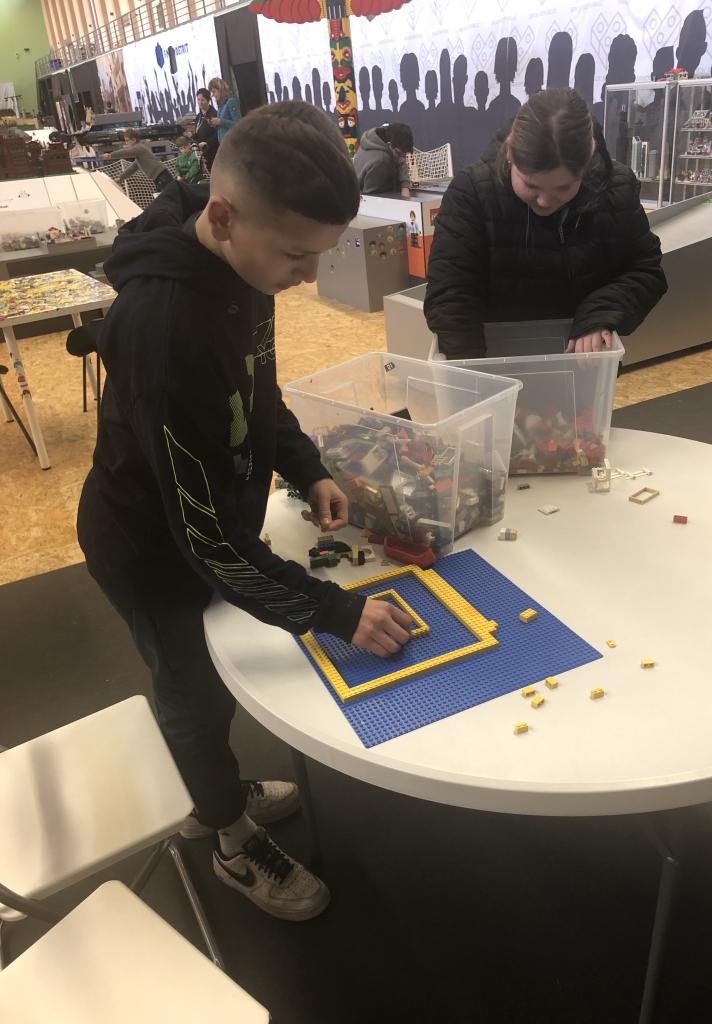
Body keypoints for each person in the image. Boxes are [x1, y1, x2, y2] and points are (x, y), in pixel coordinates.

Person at [76, 101, 412, 923]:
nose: (308, 277)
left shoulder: (243, 267)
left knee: (213, 685)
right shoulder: (162, 331)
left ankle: (216, 787)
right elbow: (207, 544)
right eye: (297, 257)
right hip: (147, 549)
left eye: (318, 255)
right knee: (192, 692)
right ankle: (225, 833)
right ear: (223, 218)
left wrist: (305, 466)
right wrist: (336, 612)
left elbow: (255, 391)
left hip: (205, 517)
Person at [425, 88, 667, 358]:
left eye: (563, 188)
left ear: (587, 166)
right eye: (530, 185)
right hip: (496, 361)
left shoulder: (616, 189)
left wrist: (601, 313)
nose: (544, 201)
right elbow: (451, 297)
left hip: (583, 364)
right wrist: (476, 378)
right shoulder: (471, 193)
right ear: (510, 155)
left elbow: (645, 270)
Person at [353, 122, 414, 197]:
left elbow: (400, 159)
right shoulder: (381, 161)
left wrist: (405, 186)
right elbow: (372, 197)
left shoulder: (379, 139)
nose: (403, 158)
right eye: (400, 153)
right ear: (389, 145)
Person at [104, 128, 174, 192]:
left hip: (162, 176)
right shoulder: (139, 154)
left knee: (165, 198)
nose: (126, 143)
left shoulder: (139, 147)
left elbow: (126, 152)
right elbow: (133, 168)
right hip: (159, 177)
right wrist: (121, 178)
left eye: (127, 140)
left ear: (134, 140)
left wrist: (111, 155)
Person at [208, 77, 241, 144]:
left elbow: (239, 124)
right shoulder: (221, 104)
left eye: (214, 91)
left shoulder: (231, 101)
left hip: (232, 143)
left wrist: (220, 122)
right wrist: (215, 124)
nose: (212, 95)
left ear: (220, 89)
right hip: (224, 144)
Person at [194, 87, 219, 170]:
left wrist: (207, 143)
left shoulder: (214, 114)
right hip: (202, 153)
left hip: (213, 152)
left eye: (202, 100)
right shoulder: (198, 116)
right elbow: (197, 133)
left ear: (208, 101)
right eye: (198, 100)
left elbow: (218, 134)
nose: (200, 102)